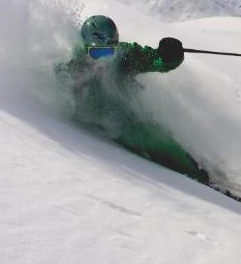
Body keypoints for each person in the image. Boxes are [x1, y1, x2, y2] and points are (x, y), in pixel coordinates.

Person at [55, 15, 210, 185]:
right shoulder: (73, 66)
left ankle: (198, 177)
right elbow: (56, 89)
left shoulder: (125, 57)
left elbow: (156, 60)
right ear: (86, 47)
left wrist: (169, 56)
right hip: (97, 124)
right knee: (153, 142)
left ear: (116, 46)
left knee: (161, 142)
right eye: (97, 53)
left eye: (108, 52)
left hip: (129, 117)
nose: (102, 60)